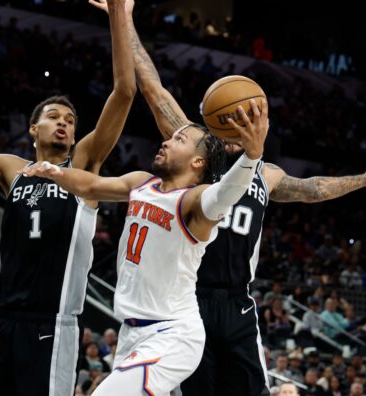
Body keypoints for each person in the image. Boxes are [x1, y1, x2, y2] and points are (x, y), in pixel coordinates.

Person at [89, 1, 366, 394]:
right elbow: (152, 88)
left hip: (238, 304)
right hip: (190, 301)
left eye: (249, 114)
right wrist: (126, 19)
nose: (241, 119)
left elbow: (313, 189)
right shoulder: (199, 152)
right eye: (234, 115)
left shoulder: (266, 174)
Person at [0, 0, 136, 391]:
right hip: (7, 322)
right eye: (54, 117)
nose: (63, 124)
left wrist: (120, 16)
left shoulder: (83, 166)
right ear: (33, 129)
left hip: (54, 322)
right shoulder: (9, 169)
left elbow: (124, 92)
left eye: (70, 120)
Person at [21, 79, 266, 395]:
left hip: (172, 335)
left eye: (179, 140)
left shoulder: (195, 202)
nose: (166, 142)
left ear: (198, 162)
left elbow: (225, 194)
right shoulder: (141, 183)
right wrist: (54, 171)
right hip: (131, 333)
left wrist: (251, 156)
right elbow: (92, 186)